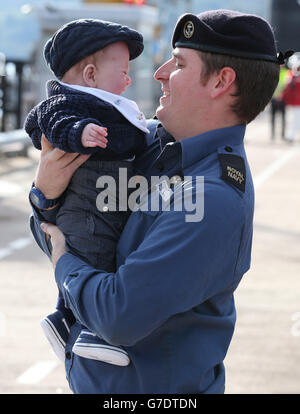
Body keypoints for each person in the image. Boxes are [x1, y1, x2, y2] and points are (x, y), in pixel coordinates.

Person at [29, 10, 291, 394]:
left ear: (222, 81)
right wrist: (45, 196)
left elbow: (116, 315)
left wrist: (62, 259)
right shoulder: (145, 141)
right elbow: (63, 222)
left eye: (180, 63)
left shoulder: (213, 199)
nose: (160, 72)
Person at [25, 19, 148, 366]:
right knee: (96, 260)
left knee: (93, 260)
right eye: (122, 71)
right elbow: (46, 120)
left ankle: (62, 319)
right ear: (91, 76)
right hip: (86, 210)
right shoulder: (71, 103)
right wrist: (79, 131)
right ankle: (94, 331)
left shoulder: (112, 107)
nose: (128, 78)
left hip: (102, 204)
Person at [270, 65, 291, 140]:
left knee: (283, 118)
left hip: (283, 99)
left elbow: (288, 85)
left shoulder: (286, 72)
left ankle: (283, 135)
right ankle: (273, 134)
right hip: (274, 98)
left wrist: (282, 94)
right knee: (273, 117)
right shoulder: (273, 71)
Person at [282, 64, 300, 142]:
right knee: (293, 120)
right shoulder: (291, 76)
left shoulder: (292, 76)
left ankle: (291, 135)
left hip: (296, 102)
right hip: (293, 102)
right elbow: (287, 89)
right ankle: (291, 136)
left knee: (295, 120)